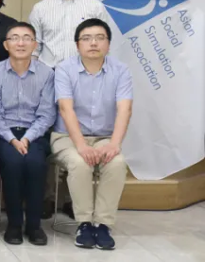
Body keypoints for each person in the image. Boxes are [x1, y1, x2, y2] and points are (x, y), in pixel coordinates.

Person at [51, 19, 132, 251]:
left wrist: (114, 144)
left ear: (108, 44)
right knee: (80, 162)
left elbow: (125, 108)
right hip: (67, 136)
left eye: (99, 38)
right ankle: (84, 223)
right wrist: (81, 145)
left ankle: (103, 224)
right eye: (86, 38)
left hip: (104, 136)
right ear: (77, 45)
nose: (93, 43)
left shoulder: (121, 70)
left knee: (117, 163)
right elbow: (65, 109)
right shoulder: (65, 69)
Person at [0, 22, 56, 246]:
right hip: (3, 134)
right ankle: (14, 225)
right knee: (14, 162)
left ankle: (34, 225)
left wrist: (27, 138)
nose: (20, 43)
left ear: (35, 45)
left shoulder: (47, 74)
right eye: (15, 38)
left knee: (36, 163)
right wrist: (12, 139)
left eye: (27, 38)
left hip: (34, 134)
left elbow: (47, 114)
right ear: (6, 45)